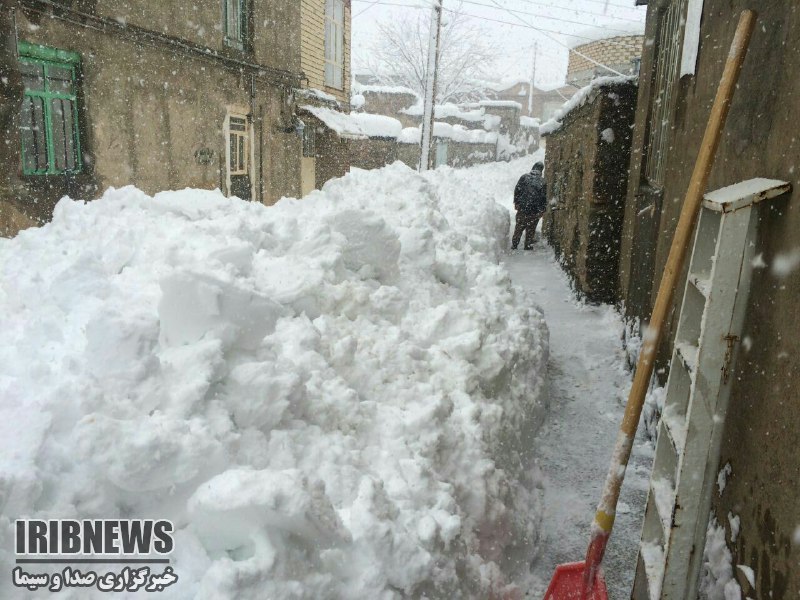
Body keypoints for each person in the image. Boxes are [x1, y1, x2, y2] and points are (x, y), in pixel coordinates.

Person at [512, 161, 547, 250]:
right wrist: (542, 210)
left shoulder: (524, 177)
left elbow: (517, 190)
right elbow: (544, 197)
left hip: (523, 208)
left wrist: (516, 203)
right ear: (541, 170)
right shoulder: (542, 181)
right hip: (534, 211)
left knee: (519, 227)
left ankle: (514, 244)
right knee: (531, 229)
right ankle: (527, 245)